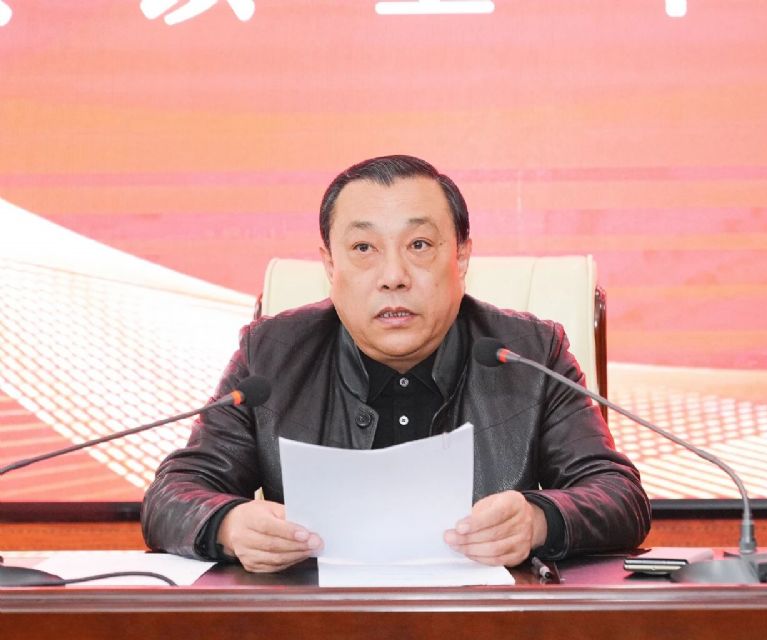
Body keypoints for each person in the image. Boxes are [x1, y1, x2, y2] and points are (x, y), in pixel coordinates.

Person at [142, 154, 651, 573]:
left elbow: (619, 495)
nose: (393, 276)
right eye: (363, 247)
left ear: (462, 257)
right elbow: (172, 494)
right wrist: (229, 525)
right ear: (330, 265)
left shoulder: (529, 353)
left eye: (420, 245)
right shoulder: (271, 354)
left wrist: (539, 519)